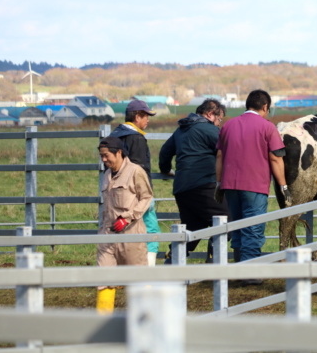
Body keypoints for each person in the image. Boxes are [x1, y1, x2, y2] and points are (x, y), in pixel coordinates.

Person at [215, 90, 289, 283]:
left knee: (238, 225)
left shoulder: (228, 125)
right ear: (265, 107)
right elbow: (275, 157)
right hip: (255, 185)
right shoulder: (267, 127)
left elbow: (220, 156)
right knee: (253, 228)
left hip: (230, 184)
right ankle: (249, 275)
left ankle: (240, 269)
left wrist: (218, 183)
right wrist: (283, 186)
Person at [159, 98, 229, 263]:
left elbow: (164, 152)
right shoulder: (208, 130)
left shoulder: (181, 130)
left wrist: (166, 170)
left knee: (193, 227)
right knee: (227, 220)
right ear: (210, 114)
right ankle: (214, 262)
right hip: (204, 185)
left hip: (182, 188)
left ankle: (172, 262)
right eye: (219, 119)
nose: (219, 124)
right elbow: (227, 149)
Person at [96, 136, 153, 314]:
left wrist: (128, 218)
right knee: (103, 280)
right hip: (107, 235)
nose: (104, 160)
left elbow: (146, 197)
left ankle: (145, 324)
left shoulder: (136, 171)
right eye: (101, 156)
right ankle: (102, 327)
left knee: (138, 281)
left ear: (118, 152)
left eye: (106, 156)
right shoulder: (106, 175)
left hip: (131, 235)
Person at [110, 98, 160, 266]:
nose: (148, 120)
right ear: (137, 116)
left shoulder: (114, 136)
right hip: (137, 194)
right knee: (151, 231)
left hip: (116, 193)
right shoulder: (136, 138)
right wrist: (145, 196)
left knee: (122, 232)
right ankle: (148, 270)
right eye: (146, 116)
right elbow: (139, 169)